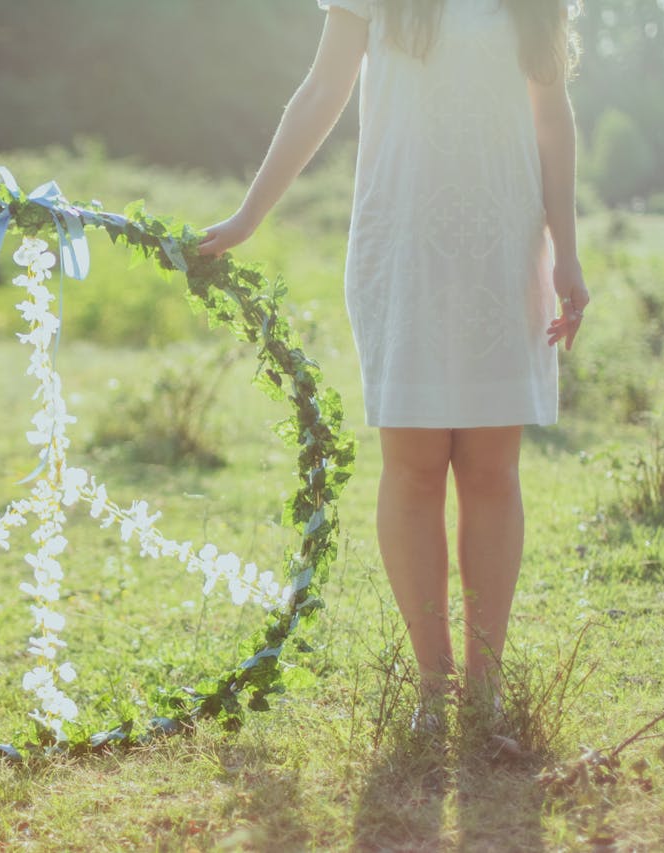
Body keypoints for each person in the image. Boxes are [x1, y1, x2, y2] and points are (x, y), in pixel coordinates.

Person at [199, 0, 590, 728]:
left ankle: (486, 684)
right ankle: (432, 688)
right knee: (411, 465)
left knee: (491, 469)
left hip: (503, 244)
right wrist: (250, 215)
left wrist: (566, 251)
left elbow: (553, 116)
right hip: (403, 240)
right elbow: (321, 91)